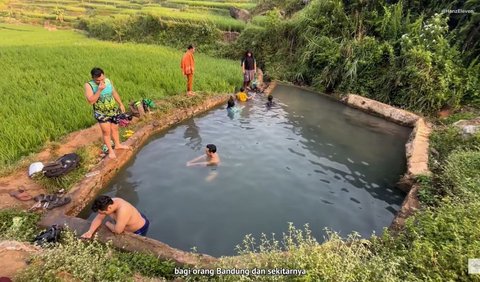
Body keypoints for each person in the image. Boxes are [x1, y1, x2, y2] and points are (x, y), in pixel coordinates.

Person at [84, 67, 130, 159]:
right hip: (101, 113)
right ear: (93, 78)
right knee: (106, 132)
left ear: (104, 75)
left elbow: (114, 92)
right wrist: (99, 90)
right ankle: (110, 150)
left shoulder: (108, 81)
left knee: (115, 129)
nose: (101, 81)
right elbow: (91, 101)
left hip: (113, 110)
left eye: (102, 79)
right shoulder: (89, 85)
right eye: (98, 80)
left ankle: (117, 145)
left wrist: (120, 104)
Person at [81, 195, 149, 238]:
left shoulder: (123, 210)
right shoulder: (109, 202)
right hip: (132, 217)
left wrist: (107, 223)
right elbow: (98, 218)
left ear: (109, 208)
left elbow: (118, 231)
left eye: (103, 213)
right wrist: (90, 232)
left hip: (139, 228)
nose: (101, 214)